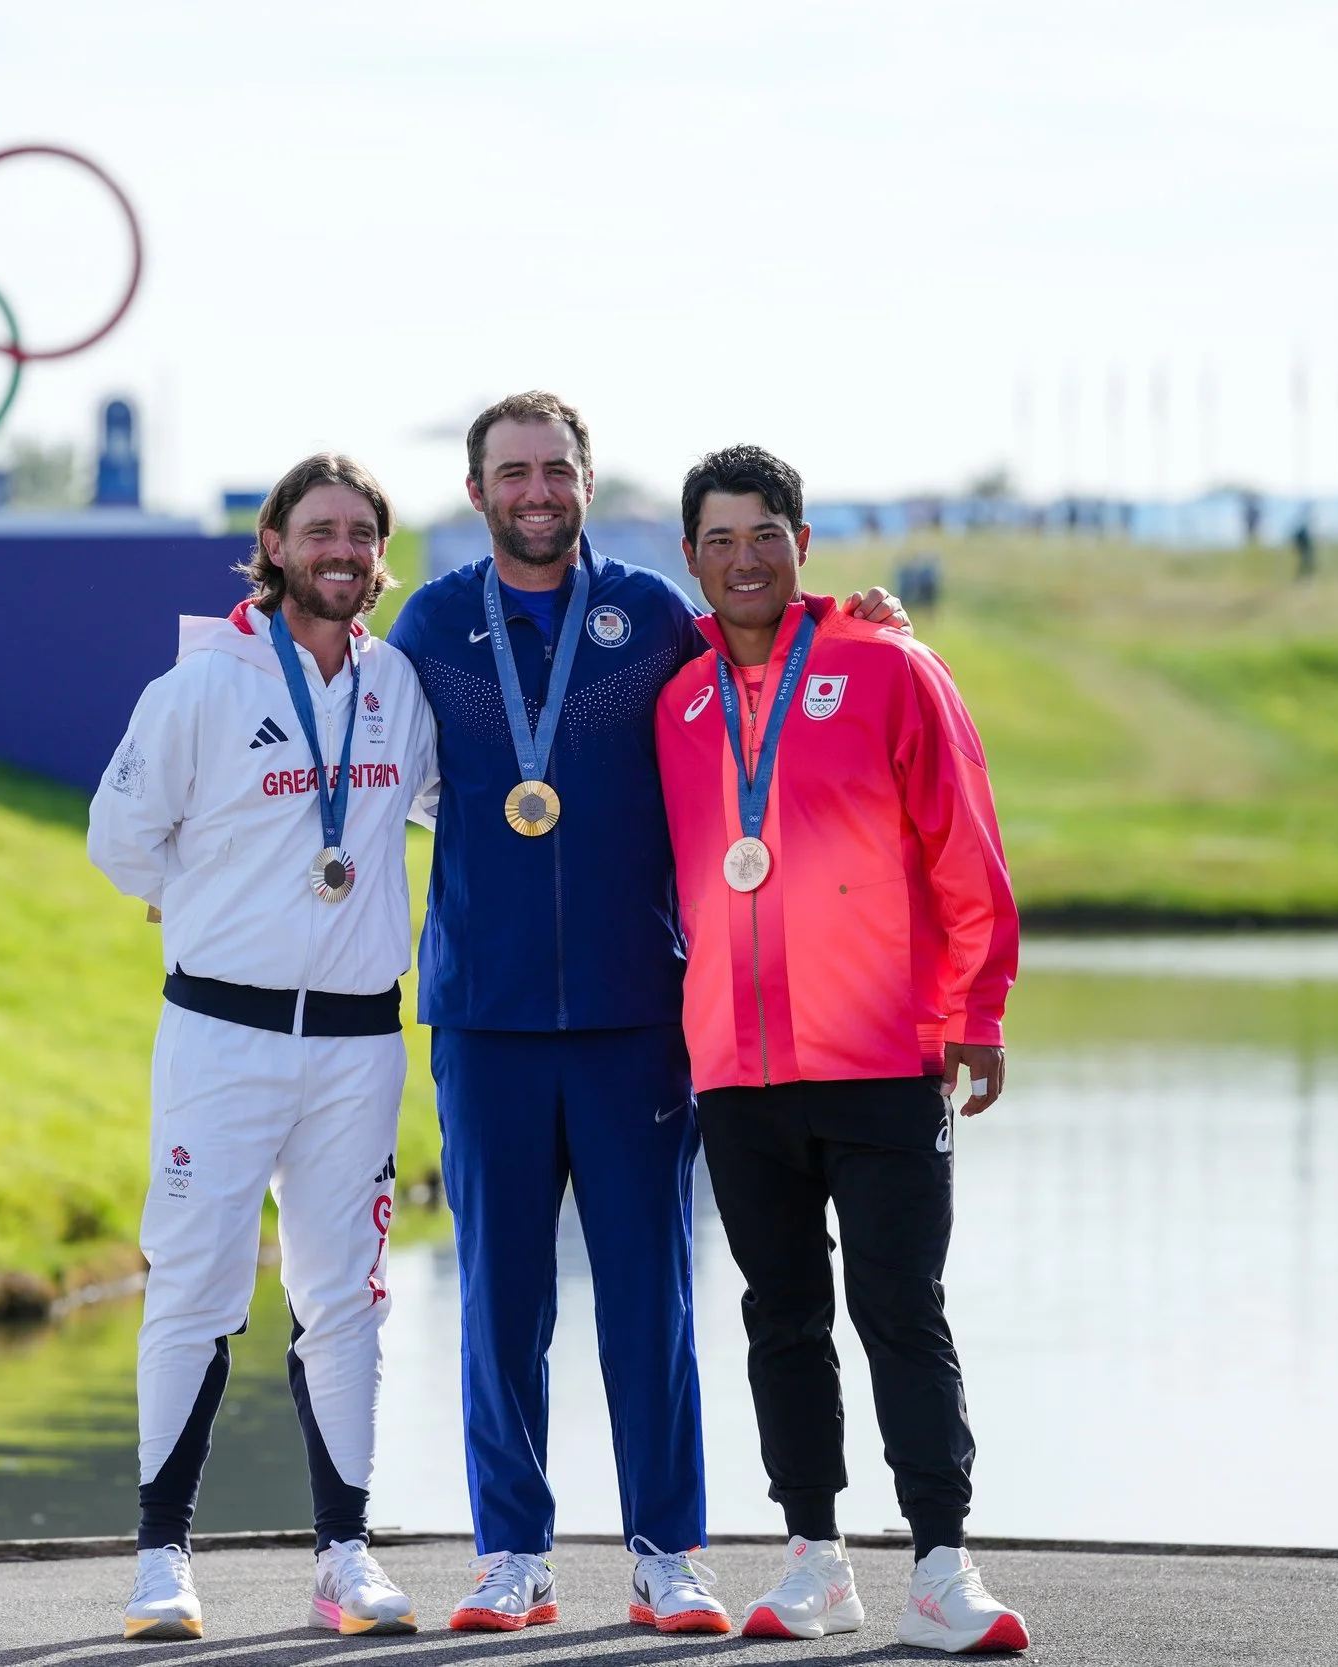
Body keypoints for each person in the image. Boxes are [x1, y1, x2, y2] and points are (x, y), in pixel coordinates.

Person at [385, 393, 903, 1635]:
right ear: (476, 492)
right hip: (487, 1013)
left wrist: (860, 622)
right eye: (511, 471)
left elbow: (764, 672)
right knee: (500, 1301)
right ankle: (512, 1551)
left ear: (585, 479)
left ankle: (669, 1548)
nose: (535, 490)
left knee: (650, 1295)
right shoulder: (435, 622)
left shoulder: (654, 620)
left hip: (638, 1010)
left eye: (555, 469)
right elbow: (355, 727)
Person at [655, 445, 1028, 1653]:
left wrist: (975, 1010)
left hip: (880, 1053)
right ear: (691, 559)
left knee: (899, 1306)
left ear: (802, 541)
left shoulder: (887, 665)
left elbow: (964, 848)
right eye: (718, 540)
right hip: (736, 1064)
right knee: (780, 1314)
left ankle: (941, 1561)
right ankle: (813, 1555)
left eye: (764, 533)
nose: (743, 559)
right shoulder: (679, 701)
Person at [87, 454, 439, 1641]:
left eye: (362, 533)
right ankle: (160, 1557)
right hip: (221, 1032)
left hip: (355, 1041)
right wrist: (197, 897)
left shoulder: (398, 683)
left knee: (346, 1297)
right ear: (275, 544)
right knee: (193, 1286)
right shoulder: (201, 682)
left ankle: (344, 1552)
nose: (342, 550)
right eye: (320, 530)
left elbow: (457, 797)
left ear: (379, 556)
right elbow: (119, 837)